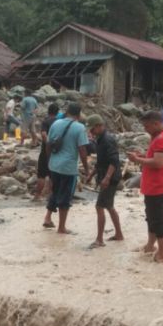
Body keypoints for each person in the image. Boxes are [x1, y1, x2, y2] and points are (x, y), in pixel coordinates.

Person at [127, 110, 163, 263]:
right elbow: (155, 157)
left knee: (159, 220)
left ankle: (162, 254)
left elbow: (158, 163)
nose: (145, 129)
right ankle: (150, 246)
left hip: (159, 186)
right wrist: (143, 156)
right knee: (151, 218)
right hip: (155, 185)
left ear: (156, 123)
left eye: (147, 126)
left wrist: (137, 160)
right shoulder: (160, 136)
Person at [43, 102, 89, 234]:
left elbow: (48, 144)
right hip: (68, 168)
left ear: (67, 111)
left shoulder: (56, 123)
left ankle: (47, 218)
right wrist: (86, 168)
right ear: (79, 114)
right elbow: (82, 150)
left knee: (55, 191)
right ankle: (61, 227)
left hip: (54, 165)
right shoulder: (79, 128)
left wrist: (49, 160)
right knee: (65, 196)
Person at [85, 115, 123, 248]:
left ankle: (99, 239)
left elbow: (114, 161)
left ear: (98, 126)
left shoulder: (107, 140)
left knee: (99, 206)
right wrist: (91, 175)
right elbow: (101, 162)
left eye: (92, 129)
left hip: (110, 178)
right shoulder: (100, 139)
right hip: (106, 176)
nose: (91, 132)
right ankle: (119, 234)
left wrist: (107, 178)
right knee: (109, 206)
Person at [34, 103, 59, 202]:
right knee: (53, 174)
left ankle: (38, 196)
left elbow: (44, 135)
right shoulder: (59, 122)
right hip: (56, 152)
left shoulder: (46, 121)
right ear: (57, 112)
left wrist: (48, 144)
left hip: (45, 151)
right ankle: (52, 196)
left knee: (41, 174)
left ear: (49, 111)